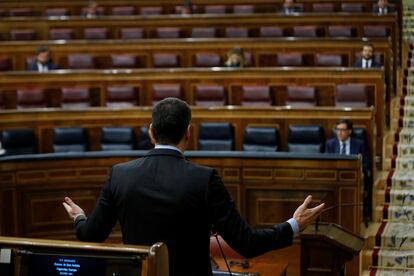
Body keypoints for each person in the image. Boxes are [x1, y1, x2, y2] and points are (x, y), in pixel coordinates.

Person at [63, 97, 325, 276]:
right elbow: (246, 243)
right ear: (189, 132)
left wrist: (79, 217)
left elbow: (90, 235)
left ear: (151, 131)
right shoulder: (204, 179)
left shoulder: (120, 175)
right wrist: (293, 225)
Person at [325, 119, 372, 218]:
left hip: (353, 178)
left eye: (342, 130)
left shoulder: (360, 144)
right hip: (335, 178)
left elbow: (366, 163)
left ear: (349, 131)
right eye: (337, 130)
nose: (339, 132)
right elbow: (326, 163)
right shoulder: (330, 144)